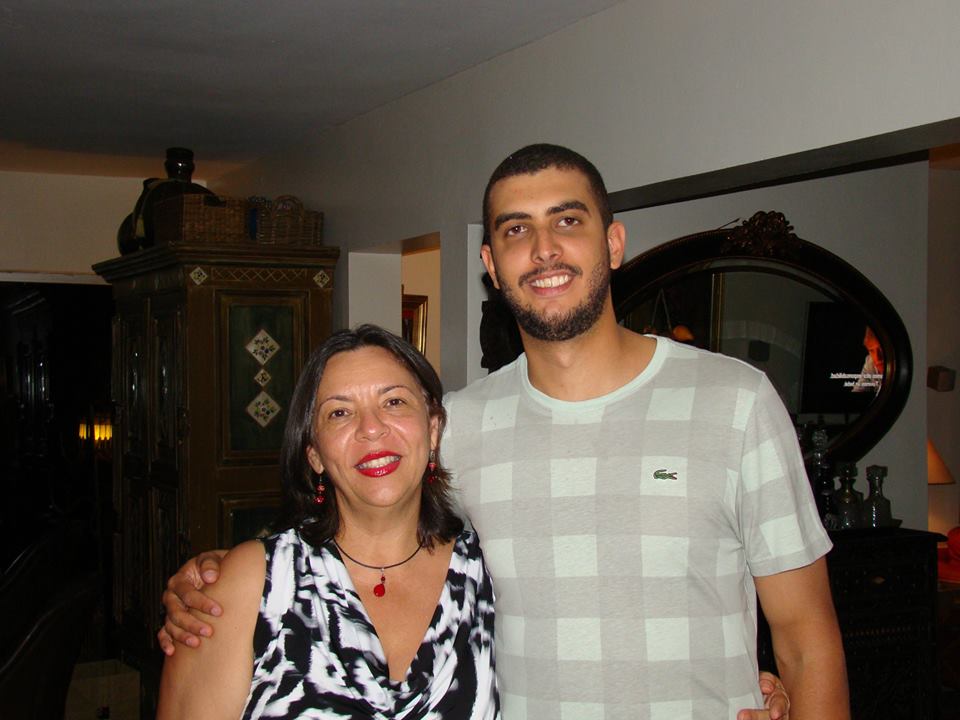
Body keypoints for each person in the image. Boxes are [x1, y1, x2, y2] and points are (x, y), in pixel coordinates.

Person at [162, 144, 838, 718]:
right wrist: (222, 580)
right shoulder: (456, 429)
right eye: (516, 230)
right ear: (490, 263)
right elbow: (368, 526)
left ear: (613, 243)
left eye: (567, 220)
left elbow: (807, 641)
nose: (543, 249)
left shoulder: (735, 403)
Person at [157, 325, 499, 719]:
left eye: (393, 402)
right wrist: (234, 572)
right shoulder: (251, 586)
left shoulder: (491, 574)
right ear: (315, 454)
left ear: (433, 430)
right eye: (339, 412)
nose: (371, 427)